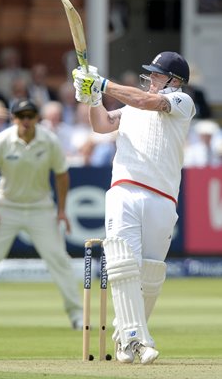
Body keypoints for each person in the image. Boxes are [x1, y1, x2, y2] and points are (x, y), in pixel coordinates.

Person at [73, 51, 196, 364]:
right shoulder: (131, 107)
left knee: (150, 274)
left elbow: (147, 102)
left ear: (175, 80)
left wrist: (101, 84)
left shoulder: (182, 102)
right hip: (124, 191)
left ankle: (125, 340)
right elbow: (101, 125)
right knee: (123, 264)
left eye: (157, 74)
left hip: (163, 199)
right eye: (151, 74)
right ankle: (137, 340)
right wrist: (91, 98)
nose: (151, 78)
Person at [0, 98, 83, 331]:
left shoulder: (49, 140)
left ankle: (77, 315)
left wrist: (61, 210)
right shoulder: (2, 140)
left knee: (59, 259)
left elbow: (62, 174)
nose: (26, 121)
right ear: (14, 119)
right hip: (6, 207)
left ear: (37, 118)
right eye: (21, 116)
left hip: (40, 208)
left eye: (30, 116)